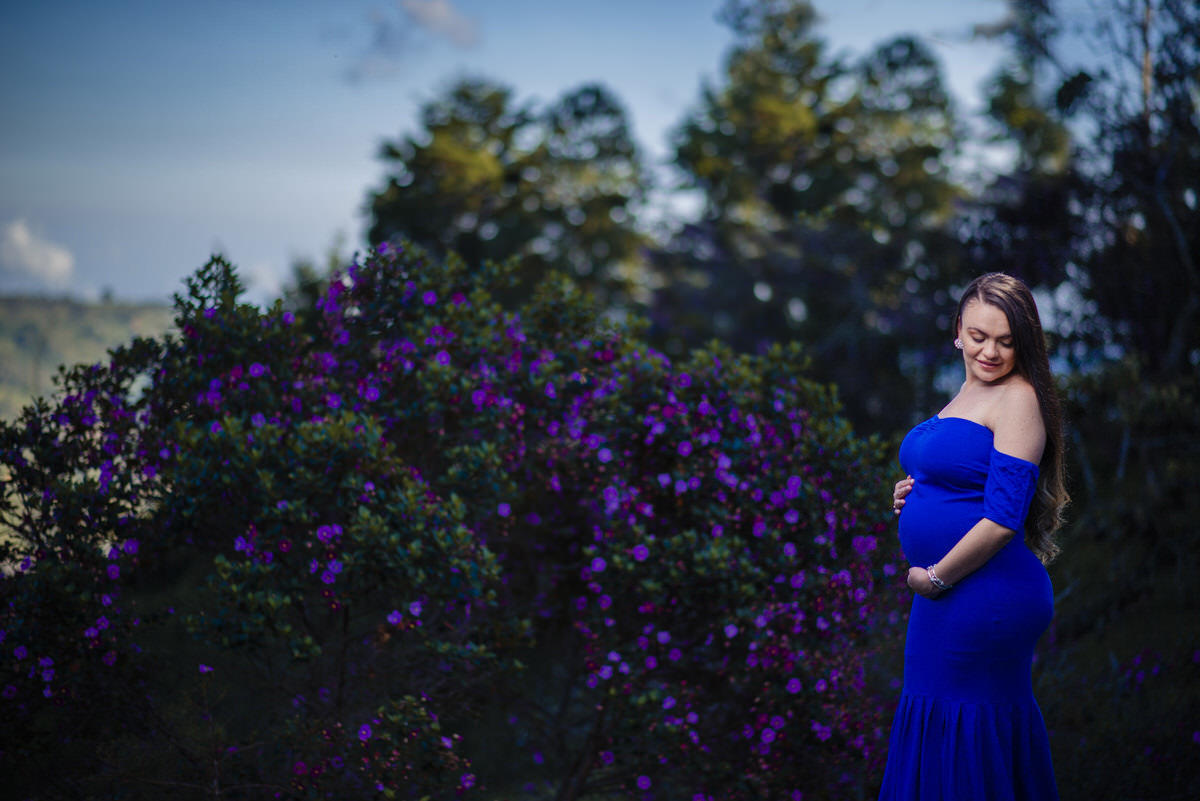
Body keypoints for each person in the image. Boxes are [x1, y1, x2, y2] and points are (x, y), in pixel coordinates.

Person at [877, 272, 1069, 800]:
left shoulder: (1019, 399)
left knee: (964, 729)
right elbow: (962, 473)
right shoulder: (967, 391)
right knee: (937, 721)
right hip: (950, 594)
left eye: (1007, 341)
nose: (991, 351)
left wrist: (936, 578)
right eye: (981, 336)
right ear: (958, 329)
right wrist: (913, 493)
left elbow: (1004, 518)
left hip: (983, 593)